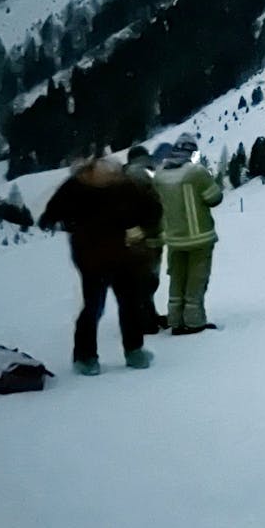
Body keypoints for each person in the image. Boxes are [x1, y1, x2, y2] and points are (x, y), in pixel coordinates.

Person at [40, 157, 162, 375]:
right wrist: (140, 229)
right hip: (116, 254)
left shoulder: (76, 186)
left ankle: (88, 357)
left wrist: (70, 224)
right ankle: (131, 352)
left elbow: (51, 214)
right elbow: (152, 210)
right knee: (124, 303)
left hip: (93, 255)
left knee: (98, 305)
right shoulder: (123, 185)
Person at [152, 132, 222, 335]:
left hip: (173, 237)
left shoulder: (160, 174)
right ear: (192, 152)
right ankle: (194, 322)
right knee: (196, 280)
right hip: (199, 236)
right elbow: (214, 197)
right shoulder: (195, 172)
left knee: (177, 279)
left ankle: (175, 320)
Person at [123, 146, 166, 333]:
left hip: (135, 237)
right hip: (148, 234)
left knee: (142, 279)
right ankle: (144, 321)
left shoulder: (126, 174)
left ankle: (147, 316)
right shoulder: (142, 174)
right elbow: (153, 203)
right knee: (147, 280)